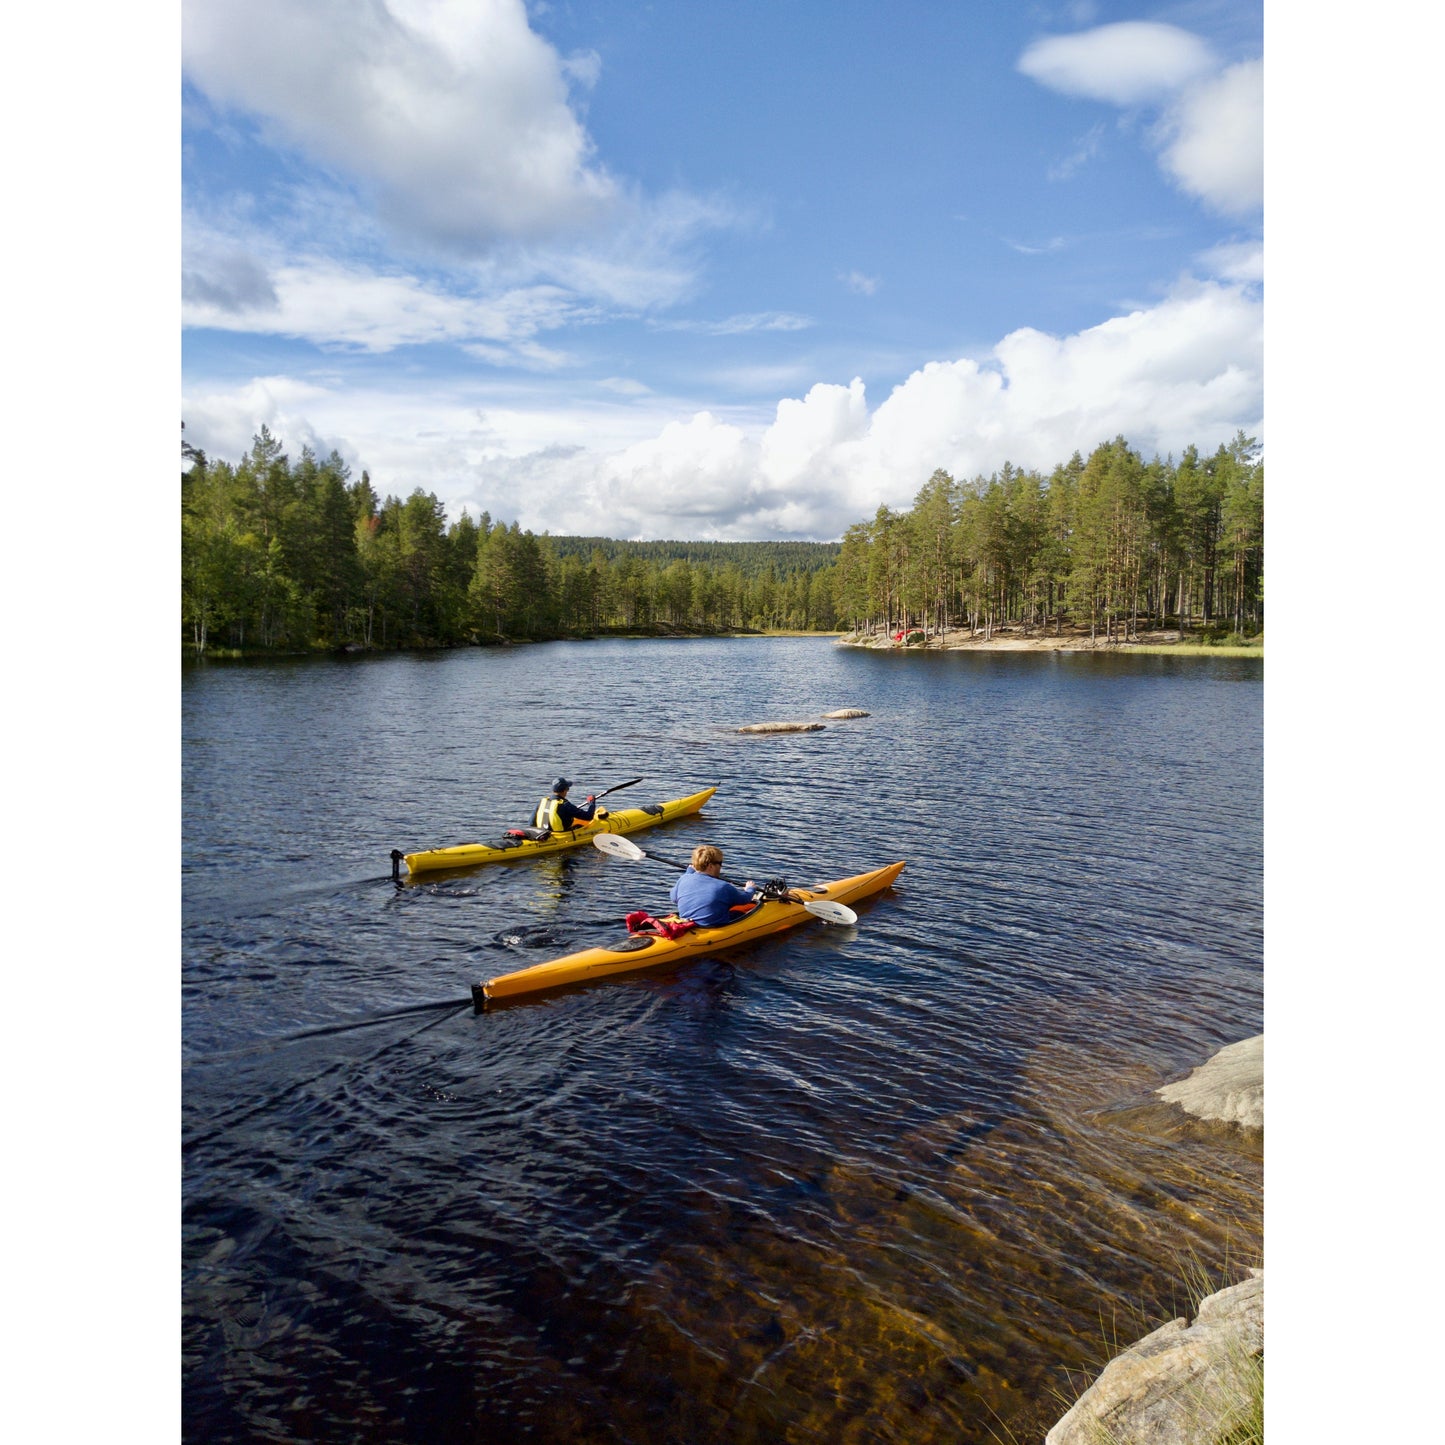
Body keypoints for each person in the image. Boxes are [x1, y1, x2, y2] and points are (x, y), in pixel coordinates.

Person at [668, 844, 759, 928]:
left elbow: (674, 898)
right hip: (713, 926)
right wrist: (750, 889)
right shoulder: (723, 886)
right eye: (720, 863)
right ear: (710, 866)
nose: (721, 867)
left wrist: (688, 873)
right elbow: (744, 900)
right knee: (738, 913)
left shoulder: (683, 879)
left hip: (687, 922)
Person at [534, 777, 608, 833]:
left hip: (543, 832)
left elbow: (531, 822)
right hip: (561, 834)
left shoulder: (542, 801)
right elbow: (589, 817)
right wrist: (592, 803)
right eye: (567, 789)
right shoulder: (565, 804)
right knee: (581, 826)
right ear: (564, 790)